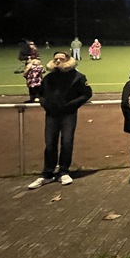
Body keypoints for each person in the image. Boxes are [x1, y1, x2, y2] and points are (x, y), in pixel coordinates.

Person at [28, 51, 93, 189]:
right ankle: (47, 173)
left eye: (61, 58)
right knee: (50, 143)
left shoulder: (78, 77)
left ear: (68, 60)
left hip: (68, 115)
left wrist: (70, 106)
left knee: (67, 142)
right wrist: (45, 104)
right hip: (51, 114)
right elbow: (41, 93)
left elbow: (87, 94)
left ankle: (63, 171)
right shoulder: (49, 77)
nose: (58, 61)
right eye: (56, 58)